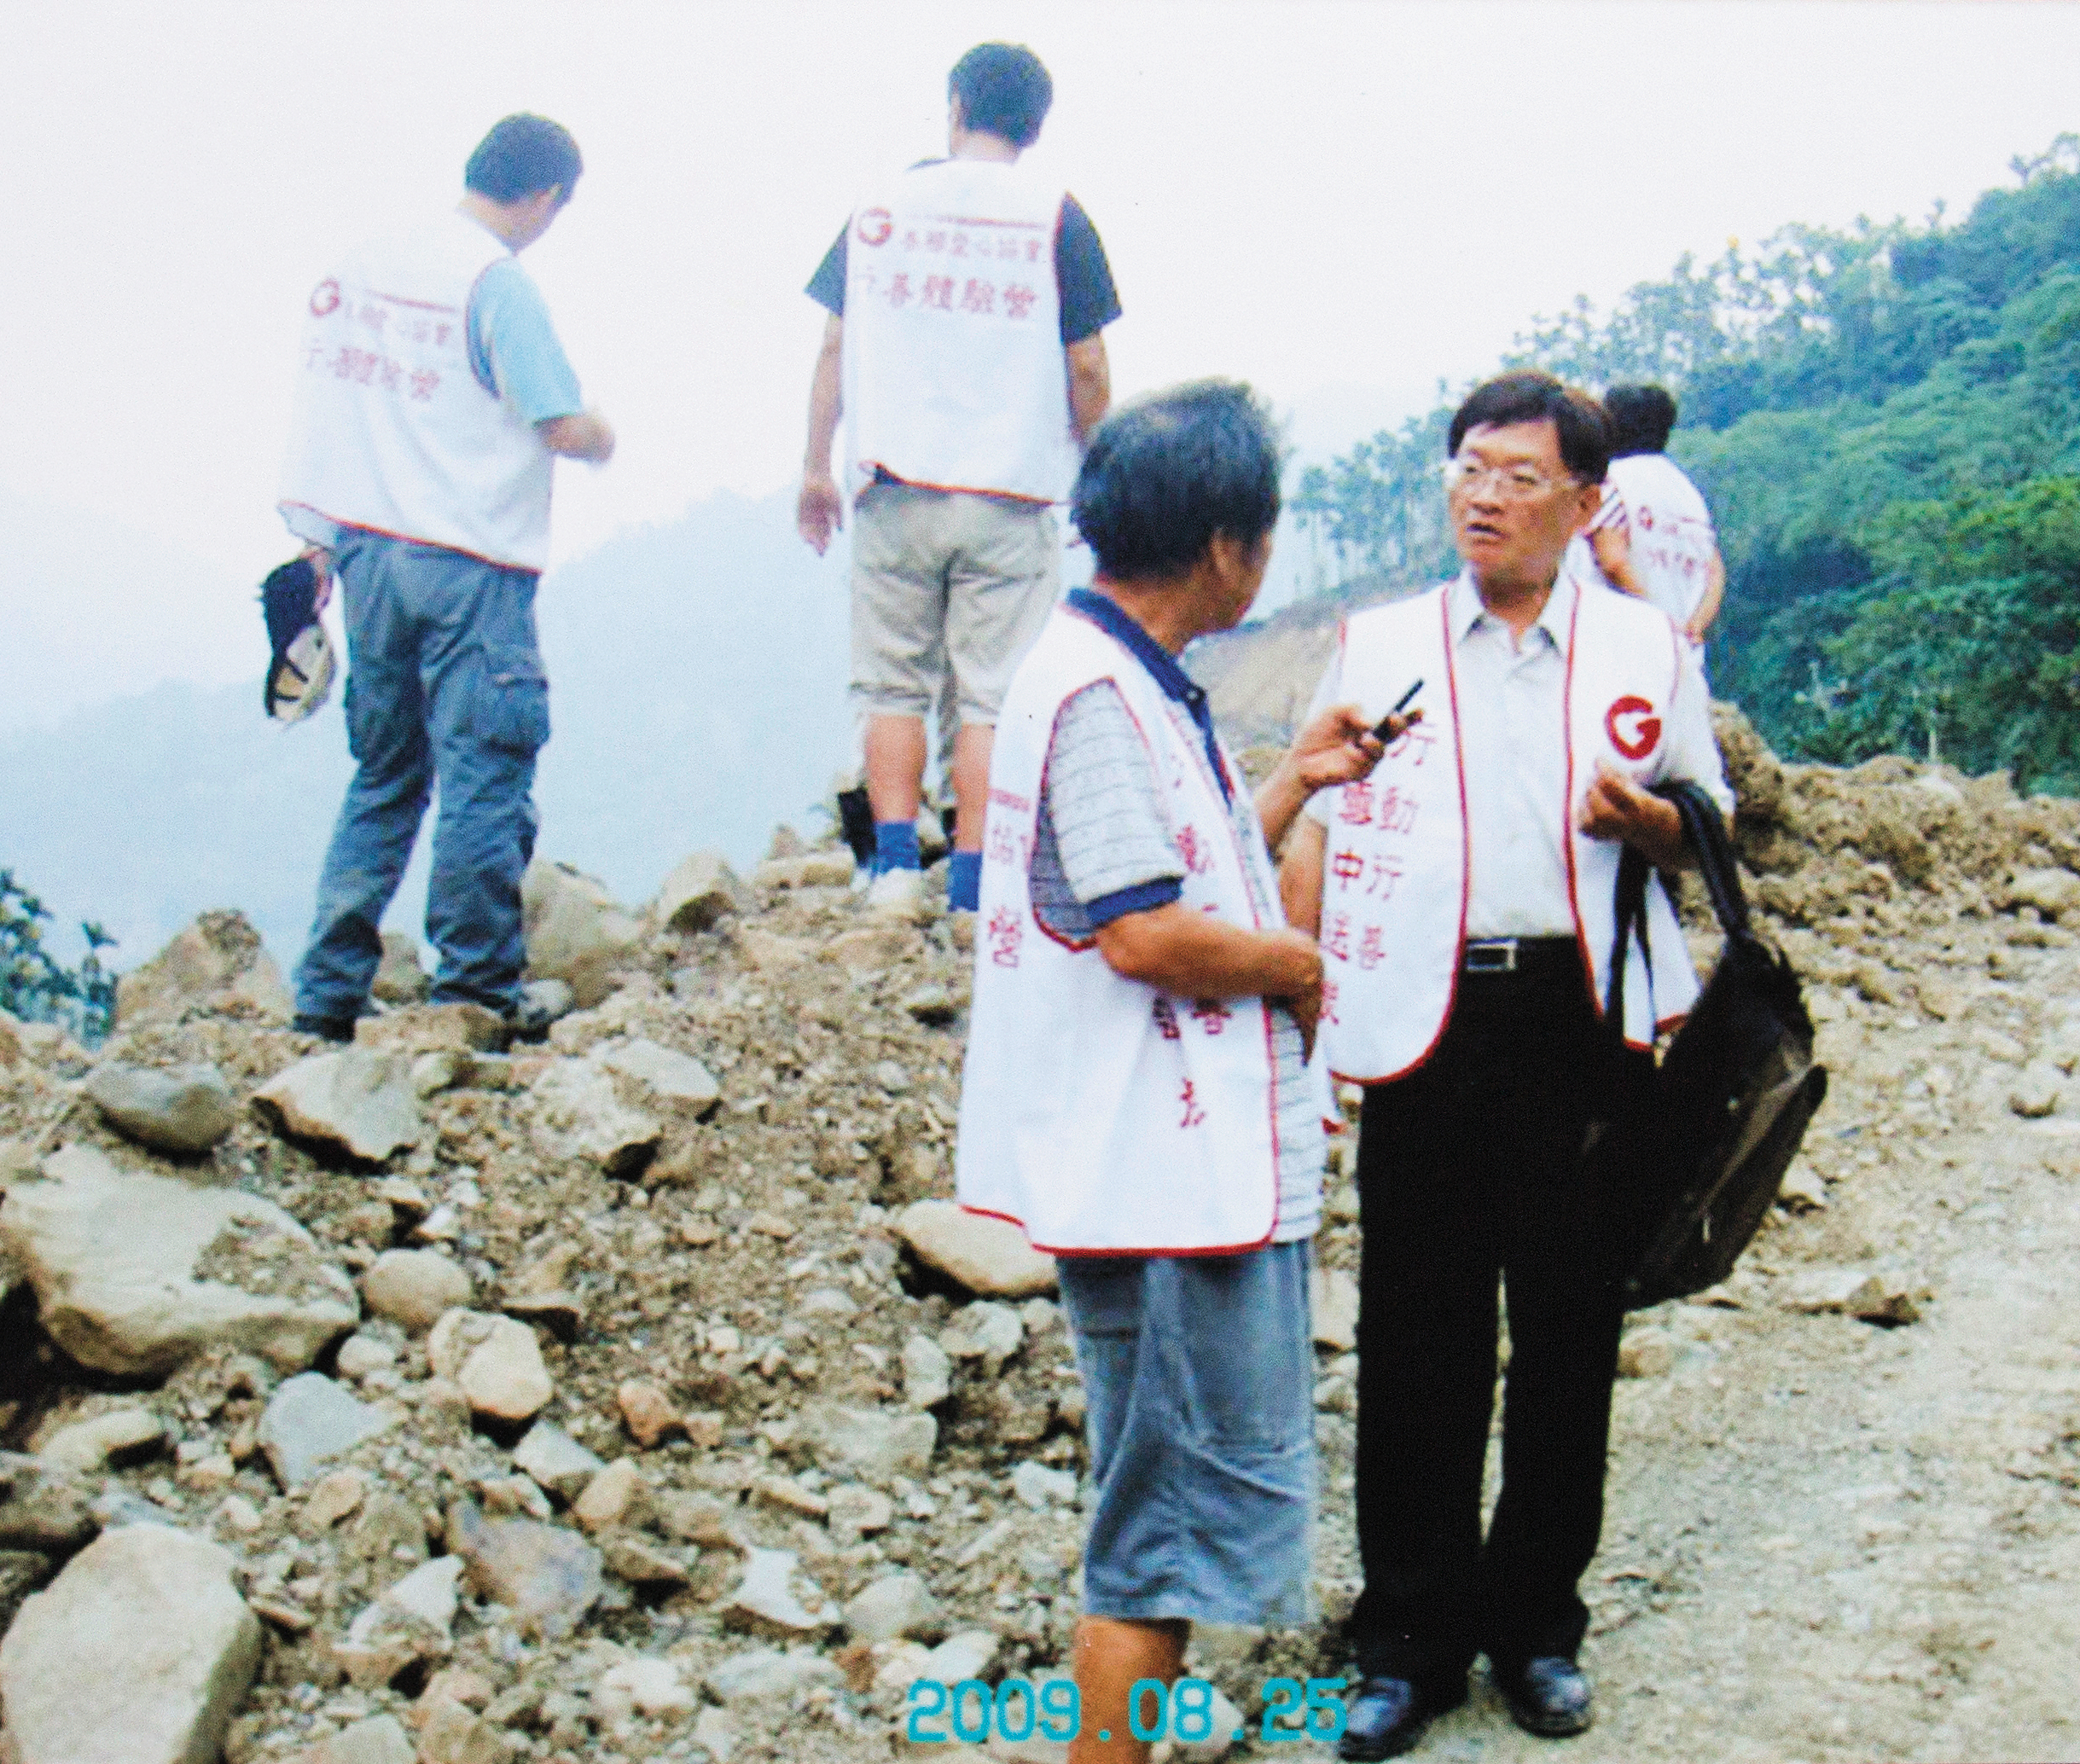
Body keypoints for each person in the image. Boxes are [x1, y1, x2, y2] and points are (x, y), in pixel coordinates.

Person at [1280, 372, 1732, 1755]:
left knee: (1566, 1330)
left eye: (1518, 476)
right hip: (1425, 1018)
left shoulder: (1646, 648)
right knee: (1418, 1333)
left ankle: (1537, 1626)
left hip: (1582, 1022)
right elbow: (1315, 818)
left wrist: (1648, 822)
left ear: (1586, 503)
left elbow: (1710, 819)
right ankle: (1406, 1639)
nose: (1483, 496)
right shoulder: (1381, 643)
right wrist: (1311, 1007)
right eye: (1467, 468)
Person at [955, 381, 1396, 1764]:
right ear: (1222, 545)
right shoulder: (1100, 695)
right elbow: (1143, 932)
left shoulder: (1118, 674)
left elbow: (1160, 872)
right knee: (1154, 1537)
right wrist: (1297, 966)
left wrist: (1291, 783)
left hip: (1163, 1170)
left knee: (1164, 1515)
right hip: (1160, 1184)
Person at [276, 113, 615, 1041]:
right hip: (470, 562)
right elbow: (557, 420)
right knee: (483, 775)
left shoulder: (361, 267)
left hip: (367, 556)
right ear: (543, 196)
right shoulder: (494, 284)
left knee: (385, 775)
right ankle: (474, 991)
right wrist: (604, 436)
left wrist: (314, 548)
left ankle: (327, 991)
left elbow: (325, 411)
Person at [796, 42, 1122, 918]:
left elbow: (834, 343)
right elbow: (1087, 364)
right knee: (991, 694)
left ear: (956, 108)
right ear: (1035, 127)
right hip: (1009, 493)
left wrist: (815, 466)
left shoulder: (880, 207)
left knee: (891, 682)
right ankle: (976, 883)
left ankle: (896, 870)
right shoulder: (1056, 217)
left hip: (895, 483)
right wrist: (1101, 471)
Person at [1580, 383, 1726, 662]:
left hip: (1622, 651)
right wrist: (1694, 626)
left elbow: (1613, 562)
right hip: (1686, 657)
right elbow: (1715, 572)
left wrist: (1661, 621)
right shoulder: (1688, 493)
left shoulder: (1611, 483)